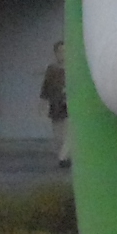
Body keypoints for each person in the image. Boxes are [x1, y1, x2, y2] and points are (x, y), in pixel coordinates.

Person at [43, 40, 71, 169]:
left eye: (65, 51)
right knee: (58, 136)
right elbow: (46, 87)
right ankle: (65, 156)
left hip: (69, 106)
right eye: (60, 51)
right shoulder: (51, 69)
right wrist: (43, 103)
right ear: (55, 53)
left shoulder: (73, 69)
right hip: (55, 106)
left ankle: (63, 158)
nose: (62, 54)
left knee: (69, 133)